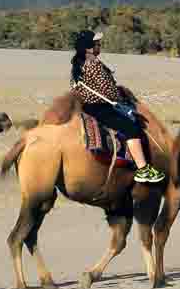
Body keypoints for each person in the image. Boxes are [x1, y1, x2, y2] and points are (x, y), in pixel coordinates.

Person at [70, 30, 166, 184]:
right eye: (96, 43)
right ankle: (142, 169)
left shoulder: (78, 63)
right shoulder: (93, 63)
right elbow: (108, 91)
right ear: (88, 47)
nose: (99, 45)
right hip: (100, 108)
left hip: (87, 106)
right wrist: (119, 97)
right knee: (131, 128)